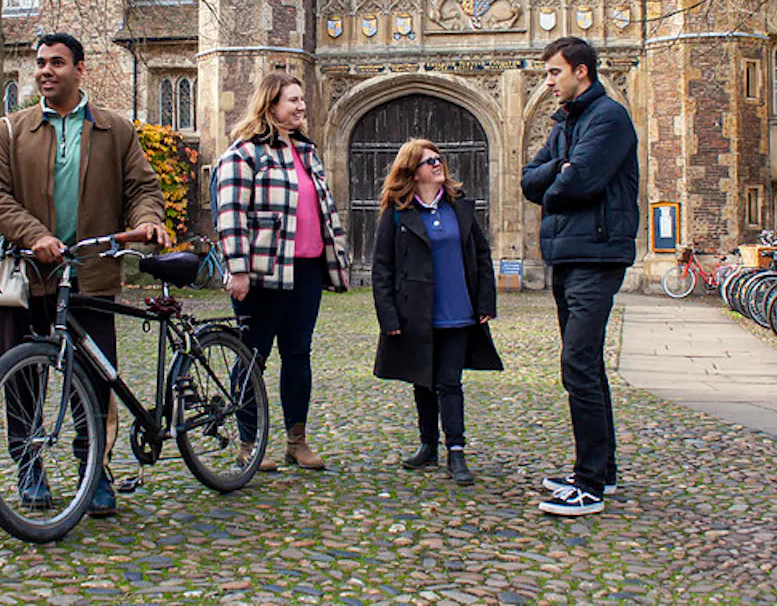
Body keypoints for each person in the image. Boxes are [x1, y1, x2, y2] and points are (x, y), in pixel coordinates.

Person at [0, 33, 168, 517]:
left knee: (96, 377)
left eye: (56, 63)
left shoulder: (114, 130)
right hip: (27, 274)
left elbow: (142, 186)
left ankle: (94, 469)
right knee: (23, 379)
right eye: (40, 62)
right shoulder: (12, 129)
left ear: (79, 69)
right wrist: (33, 233)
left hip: (91, 273)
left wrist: (148, 219)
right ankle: (29, 466)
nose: (45, 70)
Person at [521, 36, 639, 517]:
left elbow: (581, 181)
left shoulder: (608, 118)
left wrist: (560, 179)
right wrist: (559, 170)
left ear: (581, 72)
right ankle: (601, 471)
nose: (548, 82)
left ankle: (588, 484)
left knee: (579, 363)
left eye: (554, 72)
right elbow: (530, 181)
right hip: (568, 254)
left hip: (595, 254)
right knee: (583, 364)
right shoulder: (568, 123)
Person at [213, 72, 349, 471]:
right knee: (252, 356)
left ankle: (297, 441)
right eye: (293, 100)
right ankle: (249, 443)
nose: (301, 106)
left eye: (302, 100)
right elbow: (230, 215)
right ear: (270, 104)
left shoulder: (307, 152)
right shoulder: (244, 154)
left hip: (304, 271)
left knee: (298, 355)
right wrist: (238, 270)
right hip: (261, 274)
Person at [371, 139, 502, 485]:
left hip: (458, 309)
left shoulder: (459, 208)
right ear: (413, 171)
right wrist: (388, 317)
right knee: (422, 382)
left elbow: (481, 256)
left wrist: (486, 302)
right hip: (416, 312)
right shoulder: (397, 214)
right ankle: (428, 444)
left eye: (438, 159)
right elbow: (382, 268)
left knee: (449, 382)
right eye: (429, 161)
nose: (437, 165)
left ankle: (455, 451)